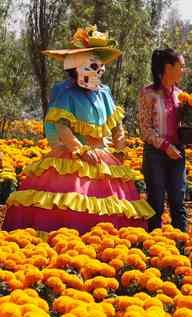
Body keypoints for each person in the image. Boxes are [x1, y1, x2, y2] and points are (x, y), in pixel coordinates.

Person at [2, 25, 154, 233]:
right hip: (73, 156)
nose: (98, 70)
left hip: (103, 157)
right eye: (92, 65)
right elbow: (61, 125)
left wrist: (120, 147)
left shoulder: (104, 93)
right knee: (65, 201)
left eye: (99, 65)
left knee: (111, 206)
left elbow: (117, 124)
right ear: (75, 67)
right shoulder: (66, 93)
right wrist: (80, 149)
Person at [138, 48, 192, 232]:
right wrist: (165, 145)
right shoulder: (148, 93)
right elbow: (145, 129)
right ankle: (153, 247)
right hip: (156, 154)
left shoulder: (181, 95)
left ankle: (182, 247)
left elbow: (185, 125)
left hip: (177, 153)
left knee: (178, 202)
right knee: (156, 202)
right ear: (168, 67)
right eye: (181, 66)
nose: (183, 70)